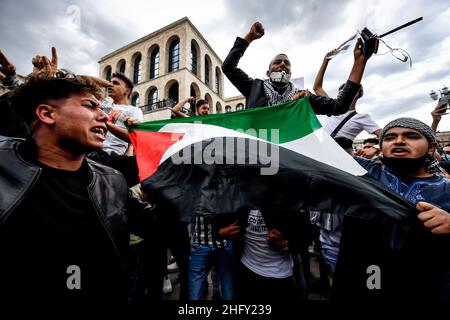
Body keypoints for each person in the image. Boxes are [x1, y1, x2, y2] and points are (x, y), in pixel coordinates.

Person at [0, 72, 150, 305]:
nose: (104, 117)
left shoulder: (113, 180)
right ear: (47, 113)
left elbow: (157, 221)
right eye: (91, 105)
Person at [222, 21, 372, 113]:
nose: (282, 65)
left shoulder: (303, 97)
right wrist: (249, 37)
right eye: (277, 62)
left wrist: (360, 62)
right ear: (268, 73)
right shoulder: (254, 87)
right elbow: (228, 67)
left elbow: (338, 106)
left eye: (287, 63)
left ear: (290, 73)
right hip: (257, 156)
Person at [313, 50, 381, 139]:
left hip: (341, 152)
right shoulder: (332, 107)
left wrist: (375, 147)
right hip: (323, 150)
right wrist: (325, 61)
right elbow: (317, 87)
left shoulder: (362, 118)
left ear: (358, 95)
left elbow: (383, 135)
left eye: (347, 90)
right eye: (340, 90)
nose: (342, 92)